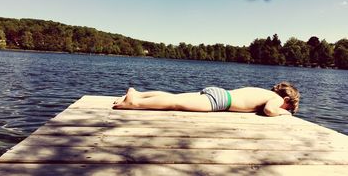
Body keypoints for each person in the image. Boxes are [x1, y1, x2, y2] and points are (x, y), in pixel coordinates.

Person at [112, 82, 300, 116]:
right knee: (175, 103)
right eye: (288, 107)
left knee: (175, 97)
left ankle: (138, 93)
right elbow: (270, 111)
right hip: (221, 101)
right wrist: (283, 114)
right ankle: (134, 102)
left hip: (220, 93)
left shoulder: (265, 93)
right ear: (286, 99)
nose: (286, 109)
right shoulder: (275, 99)